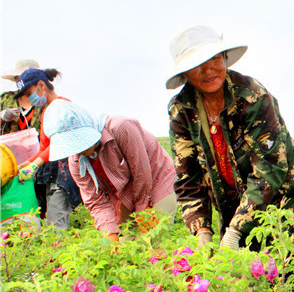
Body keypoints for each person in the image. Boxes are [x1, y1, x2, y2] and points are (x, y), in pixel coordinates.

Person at [166, 25, 294, 251]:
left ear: (225, 58)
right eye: (197, 65)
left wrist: (236, 230)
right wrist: (202, 230)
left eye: (214, 58)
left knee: (282, 269)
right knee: (235, 274)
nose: (209, 70)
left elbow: (269, 168)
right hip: (232, 202)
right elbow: (188, 178)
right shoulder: (182, 110)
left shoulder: (252, 96)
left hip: (281, 196)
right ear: (185, 73)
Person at [42, 100, 177, 241]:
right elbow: (96, 202)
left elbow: (141, 173)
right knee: (125, 247)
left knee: (154, 240)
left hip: (156, 180)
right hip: (125, 193)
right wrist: (111, 236)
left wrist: (143, 211)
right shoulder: (76, 162)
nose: (79, 150)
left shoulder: (120, 127)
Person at [13, 68, 81, 229]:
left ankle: (56, 253)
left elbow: (60, 142)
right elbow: (45, 146)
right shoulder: (46, 112)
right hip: (52, 173)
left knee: (55, 226)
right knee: (49, 222)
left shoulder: (62, 106)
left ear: (41, 86)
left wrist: (34, 165)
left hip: (64, 172)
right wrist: (26, 163)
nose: (30, 99)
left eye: (30, 93)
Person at [1, 59, 43, 135]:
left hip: (39, 146)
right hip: (7, 146)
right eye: (20, 78)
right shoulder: (5, 99)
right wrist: (1, 117)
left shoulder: (46, 102)